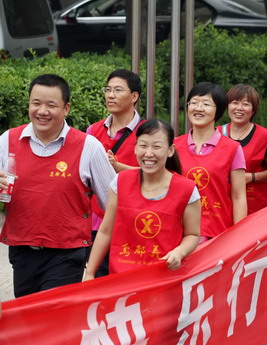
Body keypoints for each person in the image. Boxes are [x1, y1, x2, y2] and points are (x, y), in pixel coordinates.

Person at [0, 74, 115, 298]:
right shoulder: (8, 140)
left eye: (51, 105)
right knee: (28, 320)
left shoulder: (88, 147)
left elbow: (112, 202)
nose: (42, 111)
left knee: (52, 315)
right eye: (36, 103)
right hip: (22, 250)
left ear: (66, 108)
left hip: (66, 254)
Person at [175, 82, 247, 345]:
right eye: (193, 102)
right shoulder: (174, 146)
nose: (198, 108)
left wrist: (242, 238)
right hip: (178, 240)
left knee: (206, 308)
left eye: (206, 103)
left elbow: (238, 195)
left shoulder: (232, 148)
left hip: (217, 238)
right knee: (180, 308)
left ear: (218, 110)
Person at [83, 119, 200, 278]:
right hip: (122, 278)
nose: (149, 153)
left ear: (170, 150)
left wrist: (179, 252)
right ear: (136, 148)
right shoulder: (120, 182)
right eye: (143, 146)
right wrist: (90, 272)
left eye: (157, 147)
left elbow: (192, 234)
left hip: (162, 278)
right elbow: (105, 231)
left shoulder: (187, 189)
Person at [86, 69, 145, 277]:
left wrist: (119, 168)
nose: (110, 95)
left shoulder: (148, 131)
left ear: (134, 96)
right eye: (108, 90)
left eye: (118, 90)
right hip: (96, 223)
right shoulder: (92, 132)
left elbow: (163, 173)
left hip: (133, 222)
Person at [217, 84, 267, 215]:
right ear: (228, 106)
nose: (239, 108)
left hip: (257, 208)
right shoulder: (216, 134)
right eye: (234, 103)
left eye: (245, 104)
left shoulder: (265, 137)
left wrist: (252, 177)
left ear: (253, 110)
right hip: (222, 206)